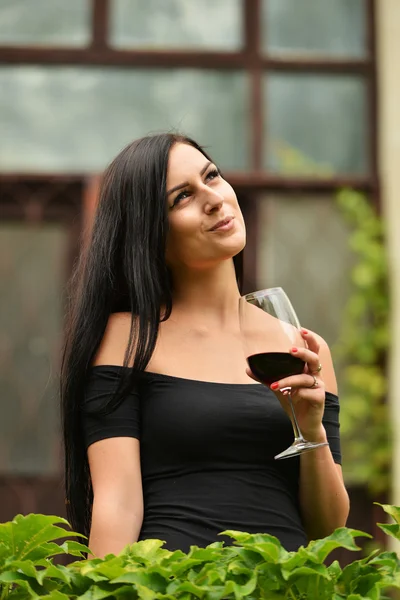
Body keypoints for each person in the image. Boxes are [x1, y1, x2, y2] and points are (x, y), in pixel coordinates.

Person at [60, 133, 349, 558]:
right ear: (150, 233)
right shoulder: (128, 339)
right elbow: (117, 505)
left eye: (211, 176)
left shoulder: (302, 347)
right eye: (182, 197)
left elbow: (326, 528)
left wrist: (311, 430)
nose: (213, 199)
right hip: (174, 585)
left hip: (284, 585)